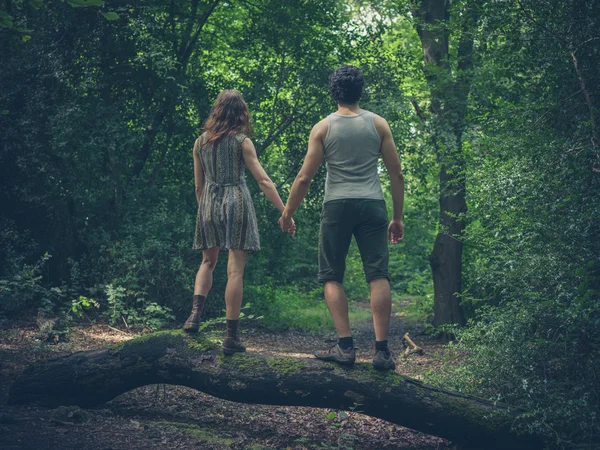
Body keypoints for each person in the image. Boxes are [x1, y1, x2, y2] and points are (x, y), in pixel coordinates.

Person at [279, 65, 404, 370]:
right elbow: (396, 173)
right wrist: (397, 217)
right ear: (360, 91)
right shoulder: (378, 124)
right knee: (378, 274)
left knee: (332, 275)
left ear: (333, 92)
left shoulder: (323, 128)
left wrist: (287, 213)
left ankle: (346, 347)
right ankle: (382, 351)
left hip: (336, 205)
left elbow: (305, 178)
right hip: (372, 204)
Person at [184, 89, 294, 355]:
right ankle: (231, 337)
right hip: (236, 201)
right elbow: (263, 181)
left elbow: (199, 186)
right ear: (241, 113)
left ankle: (194, 316)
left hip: (209, 202)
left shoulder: (200, 142)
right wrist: (284, 212)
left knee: (207, 262)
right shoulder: (242, 141)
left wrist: (206, 212)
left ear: (217, 111)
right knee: (235, 272)